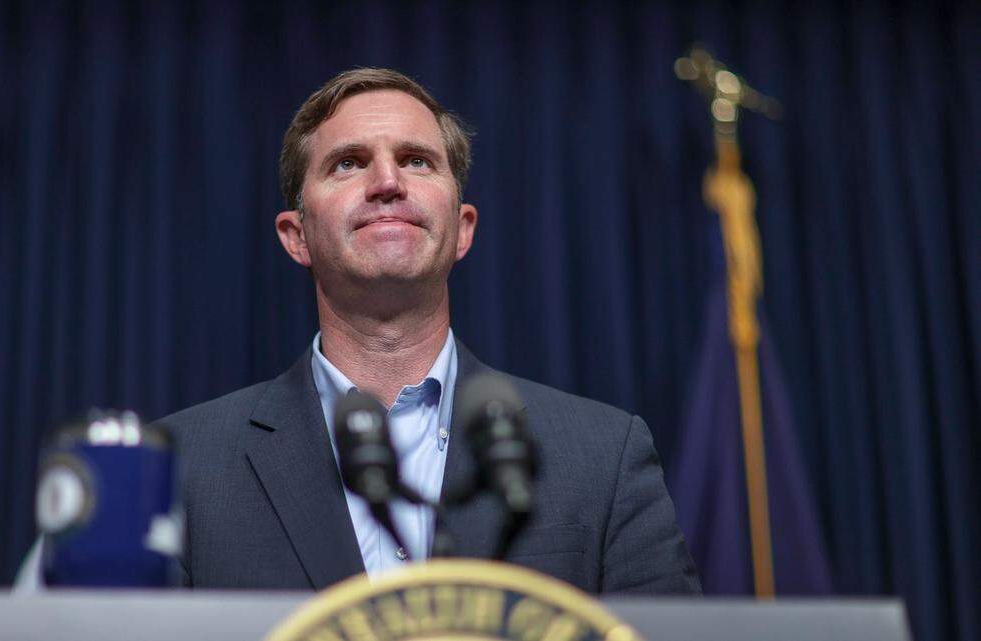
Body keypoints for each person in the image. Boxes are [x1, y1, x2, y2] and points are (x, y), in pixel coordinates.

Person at [164, 68, 699, 593]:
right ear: (296, 236)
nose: (388, 183)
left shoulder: (604, 455)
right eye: (348, 163)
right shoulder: (180, 466)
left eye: (416, 160)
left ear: (463, 229)